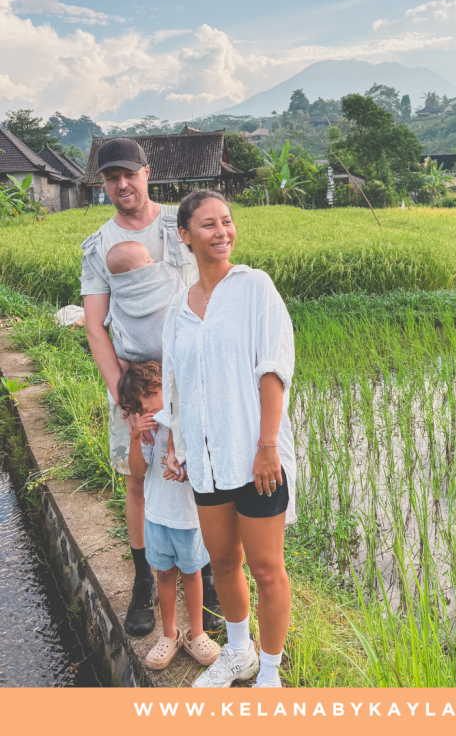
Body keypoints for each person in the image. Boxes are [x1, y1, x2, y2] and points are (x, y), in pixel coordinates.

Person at [80, 138, 220, 637]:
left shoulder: (179, 226)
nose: (122, 185)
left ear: (146, 172)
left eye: (129, 174)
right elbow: (95, 327)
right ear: (104, 184)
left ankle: (208, 573)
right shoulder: (98, 246)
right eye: (111, 178)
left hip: (190, 375)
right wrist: (123, 395)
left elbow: (212, 286)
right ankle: (144, 578)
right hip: (135, 381)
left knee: (202, 469)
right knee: (137, 478)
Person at [162, 189, 296, 689]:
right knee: (222, 561)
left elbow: (273, 367)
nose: (222, 232)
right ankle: (239, 653)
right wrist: (176, 445)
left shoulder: (254, 287)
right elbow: (176, 382)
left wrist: (268, 445)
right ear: (185, 236)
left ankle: (271, 674)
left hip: (255, 455)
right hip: (207, 459)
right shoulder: (179, 307)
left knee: (266, 567)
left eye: (227, 221)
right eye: (208, 224)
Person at [120, 361, 221, 671]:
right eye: (141, 403)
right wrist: (135, 437)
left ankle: (197, 633)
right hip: (157, 516)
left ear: (168, 389)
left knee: (192, 574)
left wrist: (186, 471)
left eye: (152, 395)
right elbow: (138, 471)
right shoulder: (149, 432)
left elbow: (204, 464)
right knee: (163, 575)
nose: (148, 406)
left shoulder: (187, 423)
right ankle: (169, 635)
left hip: (188, 518)